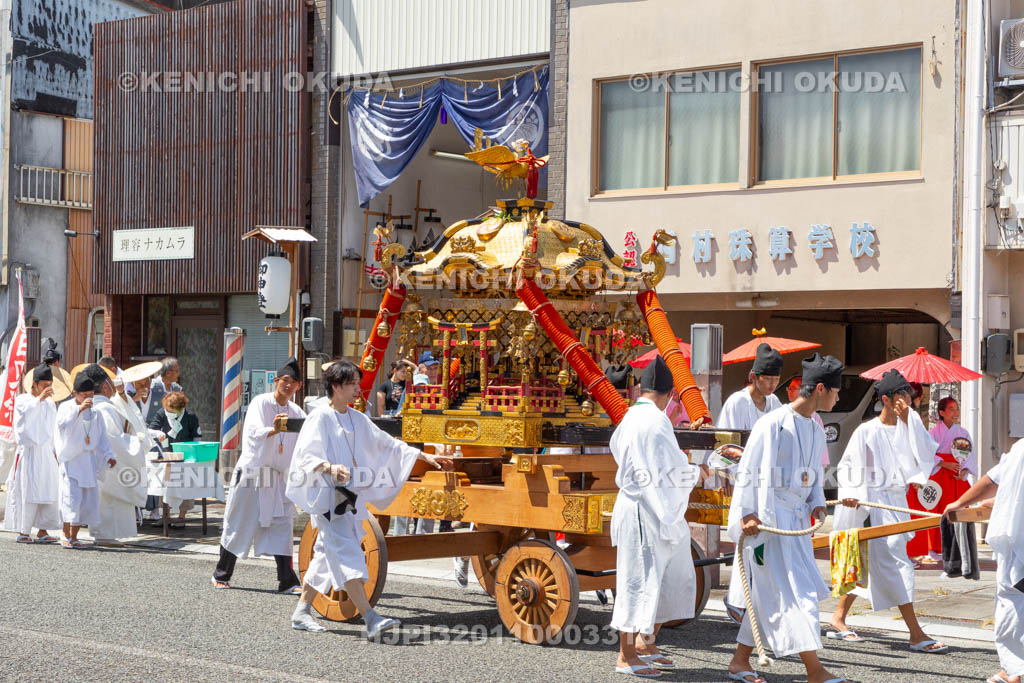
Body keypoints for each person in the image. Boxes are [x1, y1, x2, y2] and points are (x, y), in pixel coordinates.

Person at [286, 360, 452, 638]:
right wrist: (329, 467)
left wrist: (424, 455)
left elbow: (386, 442)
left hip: (348, 497)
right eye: (352, 384)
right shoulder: (320, 417)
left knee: (327, 554)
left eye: (357, 384)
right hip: (327, 498)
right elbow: (305, 455)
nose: (357, 389)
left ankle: (301, 611)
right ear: (336, 387)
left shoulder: (355, 417)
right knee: (348, 551)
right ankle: (370, 617)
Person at [726, 353, 844, 683]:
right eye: (836, 391)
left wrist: (817, 503)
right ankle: (815, 669)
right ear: (820, 388)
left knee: (771, 593)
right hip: (766, 520)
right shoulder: (772, 424)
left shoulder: (816, 429)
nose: (838, 397)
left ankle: (739, 662)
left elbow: (813, 478)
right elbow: (748, 472)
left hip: (795, 523)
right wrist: (746, 514)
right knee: (795, 594)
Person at [827, 369, 947, 653]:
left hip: (896, 502)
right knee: (896, 563)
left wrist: (909, 419)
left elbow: (924, 453)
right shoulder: (867, 430)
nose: (907, 400)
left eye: (909, 395)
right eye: (901, 395)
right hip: (871, 504)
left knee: (867, 563)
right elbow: (848, 467)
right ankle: (916, 633)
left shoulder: (910, 425)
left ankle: (838, 617)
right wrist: (853, 494)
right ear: (886, 399)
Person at [609, 356, 704, 678]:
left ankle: (645, 642)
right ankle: (625, 656)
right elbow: (669, 469)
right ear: (671, 393)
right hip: (643, 510)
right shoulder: (654, 421)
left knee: (669, 577)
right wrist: (695, 472)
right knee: (638, 581)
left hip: (651, 507)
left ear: (642, 389)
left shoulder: (631, 416)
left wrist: (686, 472)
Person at [213, 358, 305, 592]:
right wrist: (272, 430)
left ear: (299, 386)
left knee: (282, 527)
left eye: (293, 382)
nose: (288, 385)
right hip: (254, 474)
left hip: (278, 478)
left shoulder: (296, 411)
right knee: (239, 523)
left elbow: (305, 439)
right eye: (285, 380)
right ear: (276, 381)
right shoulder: (261, 402)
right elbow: (253, 432)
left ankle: (287, 581)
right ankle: (221, 574)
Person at [945, 440, 1024, 683]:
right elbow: (995, 479)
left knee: (1013, 602)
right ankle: (1012, 668)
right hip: (1016, 538)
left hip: (1017, 540)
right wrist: (962, 503)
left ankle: (1015, 670)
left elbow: (994, 480)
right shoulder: (1020, 448)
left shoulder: (1021, 448)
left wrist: (961, 503)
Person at [720, 343, 783, 624]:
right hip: (742, 479)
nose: (770, 384)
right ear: (754, 376)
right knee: (744, 538)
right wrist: (729, 482)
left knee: (763, 539)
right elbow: (726, 444)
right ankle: (738, 599)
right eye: (766, 379)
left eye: (775, 379)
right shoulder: (737, 401)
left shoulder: (776, 404)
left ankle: (753, 598)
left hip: (767, 482)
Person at [907, 397, 976, 560]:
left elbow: (970, 455)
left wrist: (964, 469)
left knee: (958, 511)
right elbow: (928, 454)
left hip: (956, 476)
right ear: (941, 412)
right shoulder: (933, 433)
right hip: (939, 475)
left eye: (957, 409)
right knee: (936, 510)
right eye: (951, 409)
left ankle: (956, 547)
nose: (955, 412)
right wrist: (944, 464)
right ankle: (933, 547)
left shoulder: (963, 433)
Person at [88, 364, 148, 547]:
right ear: (106, 385)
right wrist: (134, 441)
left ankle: (104, 534)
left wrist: (122, 395)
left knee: (104, 498)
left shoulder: (96, 405)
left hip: (95, 462)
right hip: (108, 462)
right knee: (109, 500)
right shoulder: (105, 409)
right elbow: (114, 440)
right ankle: (105, 535)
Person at [56, 372, 116, 549]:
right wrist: (79, 410)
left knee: (85, 500)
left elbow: (103, 437)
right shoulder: (66, 407)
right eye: (84, 395)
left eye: (91, 395)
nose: (88, 398)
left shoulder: (96, 413)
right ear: (75, 393)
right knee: (71, 498)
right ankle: (65, 534)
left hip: (88, 462)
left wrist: (109, 455)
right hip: (71, 460)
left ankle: (75, 536)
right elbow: (61, 426)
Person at [3, 363, 60, 544]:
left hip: (46, 453)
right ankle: (24, 531)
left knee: (48, 490)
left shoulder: (51, 406)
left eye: (49, 384)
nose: (47, 389)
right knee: (28, 491)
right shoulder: (23, 400)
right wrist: (38, 401)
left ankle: (43, 530)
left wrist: (55, 452)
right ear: (34, 384)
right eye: (44, 384)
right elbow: (22, 427)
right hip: (29, 453)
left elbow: (53, 431)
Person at [148, 391, 202, 528]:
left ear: (180, 409)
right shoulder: (162, 413)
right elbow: (151, 429)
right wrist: (158, 433)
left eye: (171, 410)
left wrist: (194, 453)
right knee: (165, 486)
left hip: (186, 458)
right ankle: (166, 516)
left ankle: (182, 516)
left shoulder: (190, 417)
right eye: (167, 409)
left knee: (186, 486)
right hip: (167, 457)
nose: (168, 411)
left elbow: (197, 437)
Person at [787, 376, 831, 468]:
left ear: (803, 391)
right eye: (789, 388)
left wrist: (822, 468)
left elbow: (821, 445)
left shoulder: (815, 416)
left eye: (793, 388)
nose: (789, 391)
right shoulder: (782, 413)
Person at [146, 357, 182, 424]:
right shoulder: (152, 387)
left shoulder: (177, 388)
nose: (179, 374)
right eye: (176, 371)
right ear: (168, 373)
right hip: (153, 429)